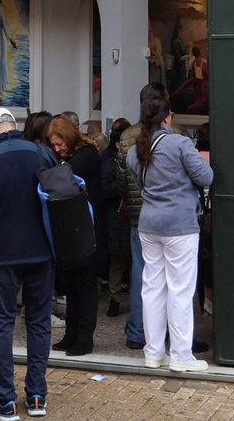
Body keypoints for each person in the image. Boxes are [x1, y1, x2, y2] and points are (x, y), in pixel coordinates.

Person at [0, 107, 54, 420]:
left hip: (2, 254)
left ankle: (5, 401)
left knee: (2, 325)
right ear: (14, 125)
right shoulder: (43, 154)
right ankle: (37, 396)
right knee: (39, 322)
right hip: (42, 252)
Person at [126, 97, 213, 372]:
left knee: (152, 288)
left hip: (148, 223)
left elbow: (140, 185)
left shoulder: (134, 151)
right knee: (180, 290)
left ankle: (153, 353)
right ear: (166, 118)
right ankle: (180, 355)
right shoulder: (179, 143)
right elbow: (206, 177)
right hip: (179, 224)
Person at [46, 117, 106, 357]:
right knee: (72, 285)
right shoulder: (72, 156)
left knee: (86, 285)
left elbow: (62, 177)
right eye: (53, 145)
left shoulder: (87, 154)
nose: (57, 149)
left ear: (69, 137)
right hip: (74, 228)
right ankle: (71, 334)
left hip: (88, 229)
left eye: (59, 143)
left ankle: (84, 338)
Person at [114, 83, 166, 350]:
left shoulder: (127, 136)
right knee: (171, 278)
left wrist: (132, 202)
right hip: (168, 216)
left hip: (138, 214)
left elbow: (122, 180)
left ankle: (136, 331)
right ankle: (168, 334)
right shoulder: (174, 134)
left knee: (140, 274)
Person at [101, 119, 131, 318]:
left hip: (129, 215)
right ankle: (114, 300)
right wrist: (123, 182)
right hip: (118, 217)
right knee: (118, 262)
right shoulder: (108, 165)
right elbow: (105, 191)